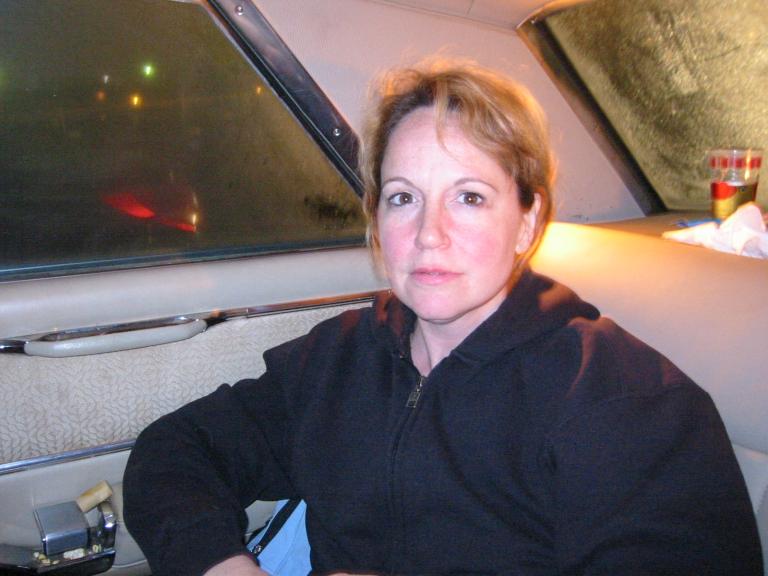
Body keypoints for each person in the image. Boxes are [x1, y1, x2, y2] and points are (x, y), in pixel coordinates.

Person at [123, 59, 763, 576]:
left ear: (528, 222)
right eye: (403, 198)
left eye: (469, 197)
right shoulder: (341, 358)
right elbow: (173, 452)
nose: (429, 233)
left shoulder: (627, 404)